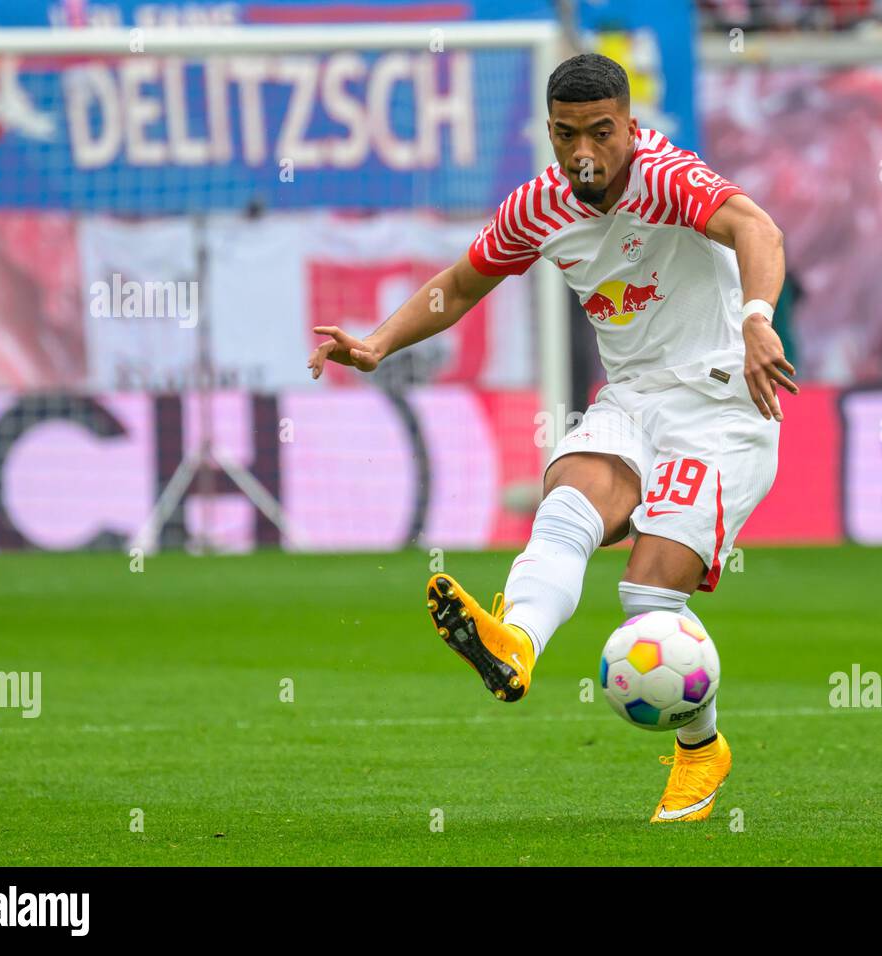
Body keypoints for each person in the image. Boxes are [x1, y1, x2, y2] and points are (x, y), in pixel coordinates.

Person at [308, 53, 795, 823]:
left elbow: (755, 227)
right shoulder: (540, 205)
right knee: (569, 490)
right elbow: (462, 284)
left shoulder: (667, 176)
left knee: (646, 595)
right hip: (634, 401)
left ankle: (701, 747)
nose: (584, 153)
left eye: (602, 133)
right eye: (568, 135)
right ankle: (518, 644)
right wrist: (378, 341)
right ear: (549, 131)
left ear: (630, 127)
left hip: (724, 403)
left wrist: (757, 322)